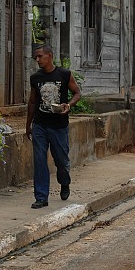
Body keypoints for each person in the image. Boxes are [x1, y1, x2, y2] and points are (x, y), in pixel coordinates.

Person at [25, 44, 81, 209]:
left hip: (59, 126)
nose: (37, 60)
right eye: (36, 57)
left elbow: (77, 93)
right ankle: (41, 197)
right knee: (40, 159)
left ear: (50, 56)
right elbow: (33, 101)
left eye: (40, 56)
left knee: (61, 161)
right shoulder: (35, 78)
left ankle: (64, 182)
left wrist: (69, 105)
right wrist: (28, 125)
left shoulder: (64, 74)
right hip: (40, 124)